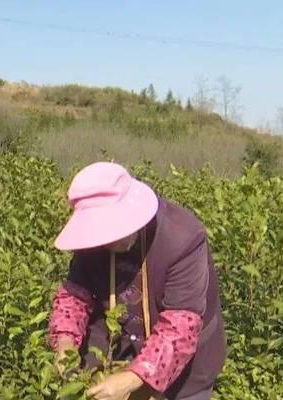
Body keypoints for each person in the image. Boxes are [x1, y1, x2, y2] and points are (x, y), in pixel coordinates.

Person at [48, 162, 226, 400]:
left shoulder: (183, 237)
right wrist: (65, 345)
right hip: (112, 353)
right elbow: (73, 297)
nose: (106, 241)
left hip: (184, 374)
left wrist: (133, 378)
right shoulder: (92, 242)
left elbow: (181, 325)